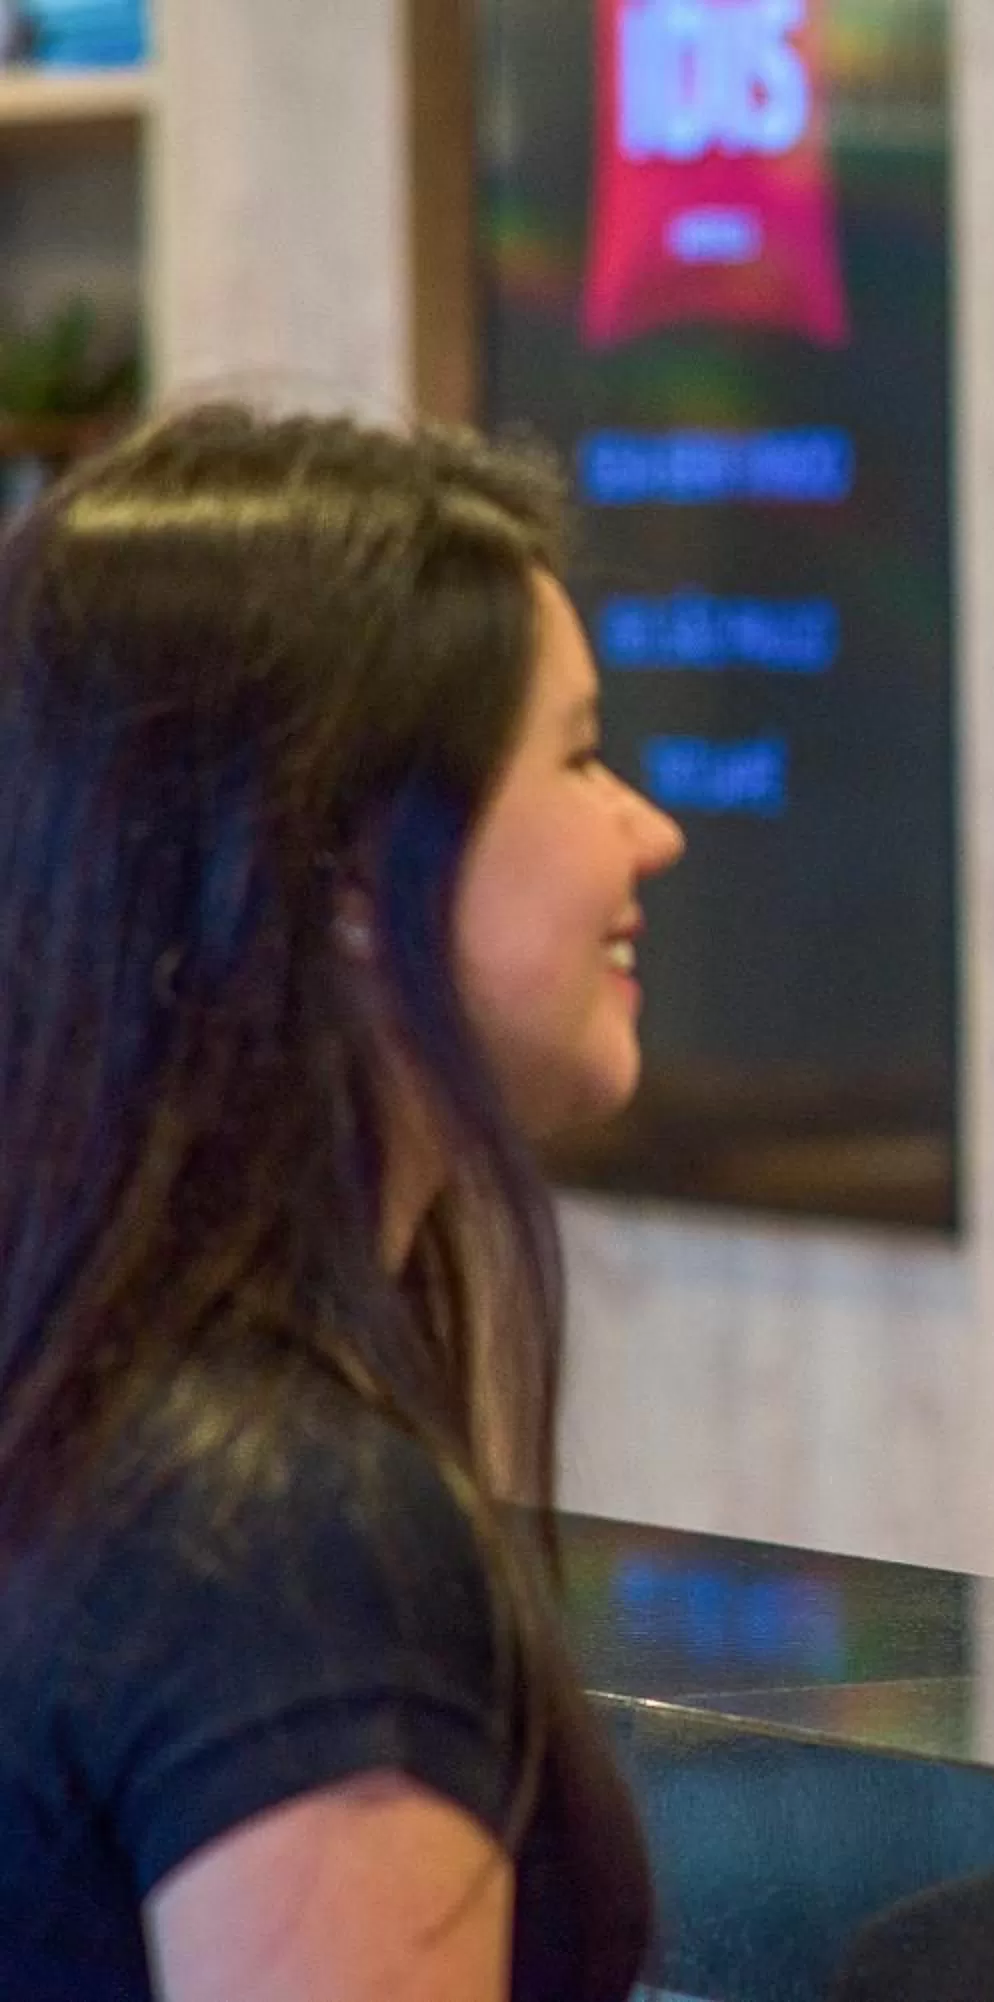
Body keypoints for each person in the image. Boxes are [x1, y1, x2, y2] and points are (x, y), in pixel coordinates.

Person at [0, 405, 686, 1997]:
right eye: (580, 756)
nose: (649, 828)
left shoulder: (97, 1409)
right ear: (352, 867)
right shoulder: (300, 1543)